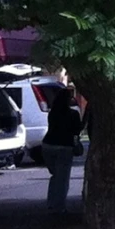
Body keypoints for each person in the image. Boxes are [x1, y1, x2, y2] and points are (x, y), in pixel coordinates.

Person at [40, 84, 83, 215]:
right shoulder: (73, 114)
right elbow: (77, 130)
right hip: (64, 147)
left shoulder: (53, 113)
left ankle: (51, 203)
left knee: (55, 176)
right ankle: (59, 206)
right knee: (62, 178)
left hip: (48, 145)